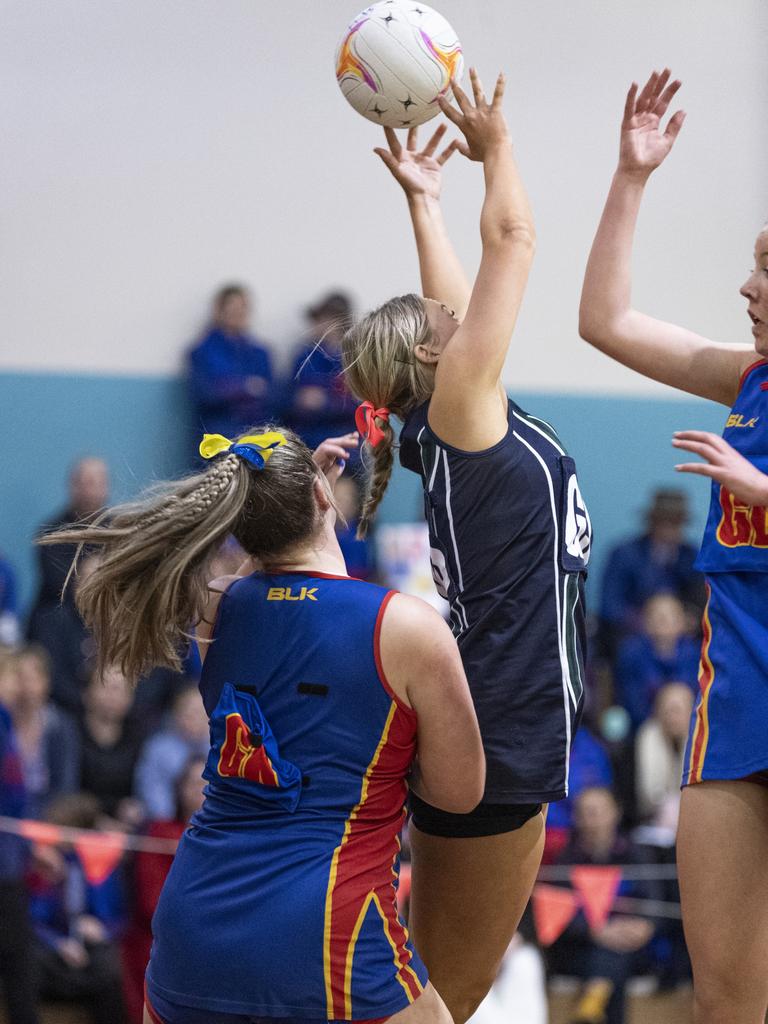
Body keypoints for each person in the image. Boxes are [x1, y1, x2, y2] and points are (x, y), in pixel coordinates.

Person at [41, 426, 484, 1024]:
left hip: (196, 926)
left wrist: (286, 500)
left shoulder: (218, 606)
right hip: (327, 925)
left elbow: (263, 572)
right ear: (326, 499)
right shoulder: (407, 626)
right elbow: (461, 793)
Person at [341, 71, 590, 1023]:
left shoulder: (455, 415)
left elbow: (454, 298)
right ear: (439, 359)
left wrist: (425, 199)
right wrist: (498, 149)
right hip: (502, 725)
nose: (464, 314)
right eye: (448, 325)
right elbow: (515, 243)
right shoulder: (459, 410)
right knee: (445, 999)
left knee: (442, 990)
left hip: (492, 718)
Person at [579, 68, 768, 1023]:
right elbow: (605, 323)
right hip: (735, 703)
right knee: (724, 997)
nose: (747, 283)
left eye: (767, 270)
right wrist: (631, 178)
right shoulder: (752, 380)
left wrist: (764, 491)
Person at [545, 787, 663, 1024]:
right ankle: (595, 1001)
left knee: (613, 956)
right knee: (609, 958)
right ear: (576, 817)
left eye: (598, 811)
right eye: (586, 812)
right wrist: (595, 932)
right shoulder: (566, 860)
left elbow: (655, 904)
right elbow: (555, 913)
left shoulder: (635, 853)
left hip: (630, 943)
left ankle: (592, 1005)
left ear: (615, 813)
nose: (593, 819)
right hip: (582, 946)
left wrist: (644, 927)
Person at [122, 756, 207, 1024]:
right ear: (179, 788)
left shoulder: (231, 841)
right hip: (161, 939)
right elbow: (152, 904)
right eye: (193, 783)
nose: (201, 791)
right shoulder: (159, 833)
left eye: (207, 783)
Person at [598, 489, 703, 660]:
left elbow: (699, 602)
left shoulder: (690, 556)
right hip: (634, 636)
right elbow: (610, 605)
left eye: (675, 522)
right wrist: (649, 623)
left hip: (680, 640)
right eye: (664, 521)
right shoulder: (624, 554)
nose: (669, 528)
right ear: (651, 522)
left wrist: (686, 620)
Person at [27, 457, 110, 640]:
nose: (92, 491)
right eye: (87, 482)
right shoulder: (52, 533)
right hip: (63, 623)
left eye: (98, 483)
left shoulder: (119, 530)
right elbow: (61, 586)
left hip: (108, 615)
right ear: (73, 485)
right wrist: (90, 572)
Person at [187, 284, 275, 439]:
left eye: (243, 309)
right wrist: (244, 387)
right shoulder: (203, 351)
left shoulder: (260, 352)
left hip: (254, 434)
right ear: (219, 311)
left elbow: (273, 393)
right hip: (217, 434)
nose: (238, 313)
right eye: (232, 309)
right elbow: (204, 393)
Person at [284, 290, 357, 453]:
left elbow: (361, 405)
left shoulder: (355, 359)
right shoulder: (304, 356)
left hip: (345, 439)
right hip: (308, 437)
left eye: (327, 319)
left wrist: (325, 403)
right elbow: (285, 398)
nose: (320, 324)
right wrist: (299, 400)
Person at [613, 592, 699, 730]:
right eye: (658, 616)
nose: (663, 620)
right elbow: (631, 700)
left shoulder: (695, 654)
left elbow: (698, 695)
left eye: (670, 615)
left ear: (683, 621)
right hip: (646, 727)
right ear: (646, 621)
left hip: (689, 725)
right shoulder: (631, 654)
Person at [12, 645, 80, 817]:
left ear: (46, 682)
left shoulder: (61, 726)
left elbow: (65, 787)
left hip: (48, 817)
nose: (27, 686)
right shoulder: (3, 724)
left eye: (33, 678)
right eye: (20, 677)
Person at [133, 684, 209, 820]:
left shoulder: (221, 748)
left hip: (212, 822)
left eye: (200, 713)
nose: (195, 719)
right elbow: (151, 790)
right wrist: (170, 823)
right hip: (168, 824)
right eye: (190, 713)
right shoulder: (158, 748)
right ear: (176, 715)